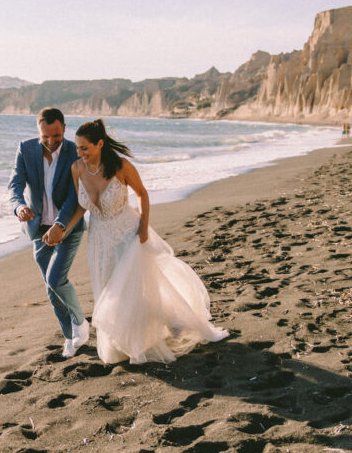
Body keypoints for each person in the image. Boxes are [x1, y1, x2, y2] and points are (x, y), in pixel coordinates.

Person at [59, 119, 229, 364]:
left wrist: (144, 226)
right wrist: (63, 229)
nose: (80, 153)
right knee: (109, 292)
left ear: (99, 144)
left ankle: (152, 333)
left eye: (85, 148)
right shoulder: (77, 169)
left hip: (128, 233)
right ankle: (123, 342)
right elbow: (79, 207)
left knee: (132, 290)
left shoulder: (120, 166)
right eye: (77, 148)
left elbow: (142, 193)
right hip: (99, 240)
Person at [8, 107, 89, 358]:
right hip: (37, 229)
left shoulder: (74, 153)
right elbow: (15, 185)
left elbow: (74, 196)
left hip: (68, 228)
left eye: (56, 136)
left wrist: (60, 225)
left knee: (55, 280)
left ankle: (81, 323)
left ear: (64, 129)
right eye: (45, 137)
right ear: (38, 131)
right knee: (50, 289)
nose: (51, 142)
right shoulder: (25, 148)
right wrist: (20, 206)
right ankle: (69, 337)